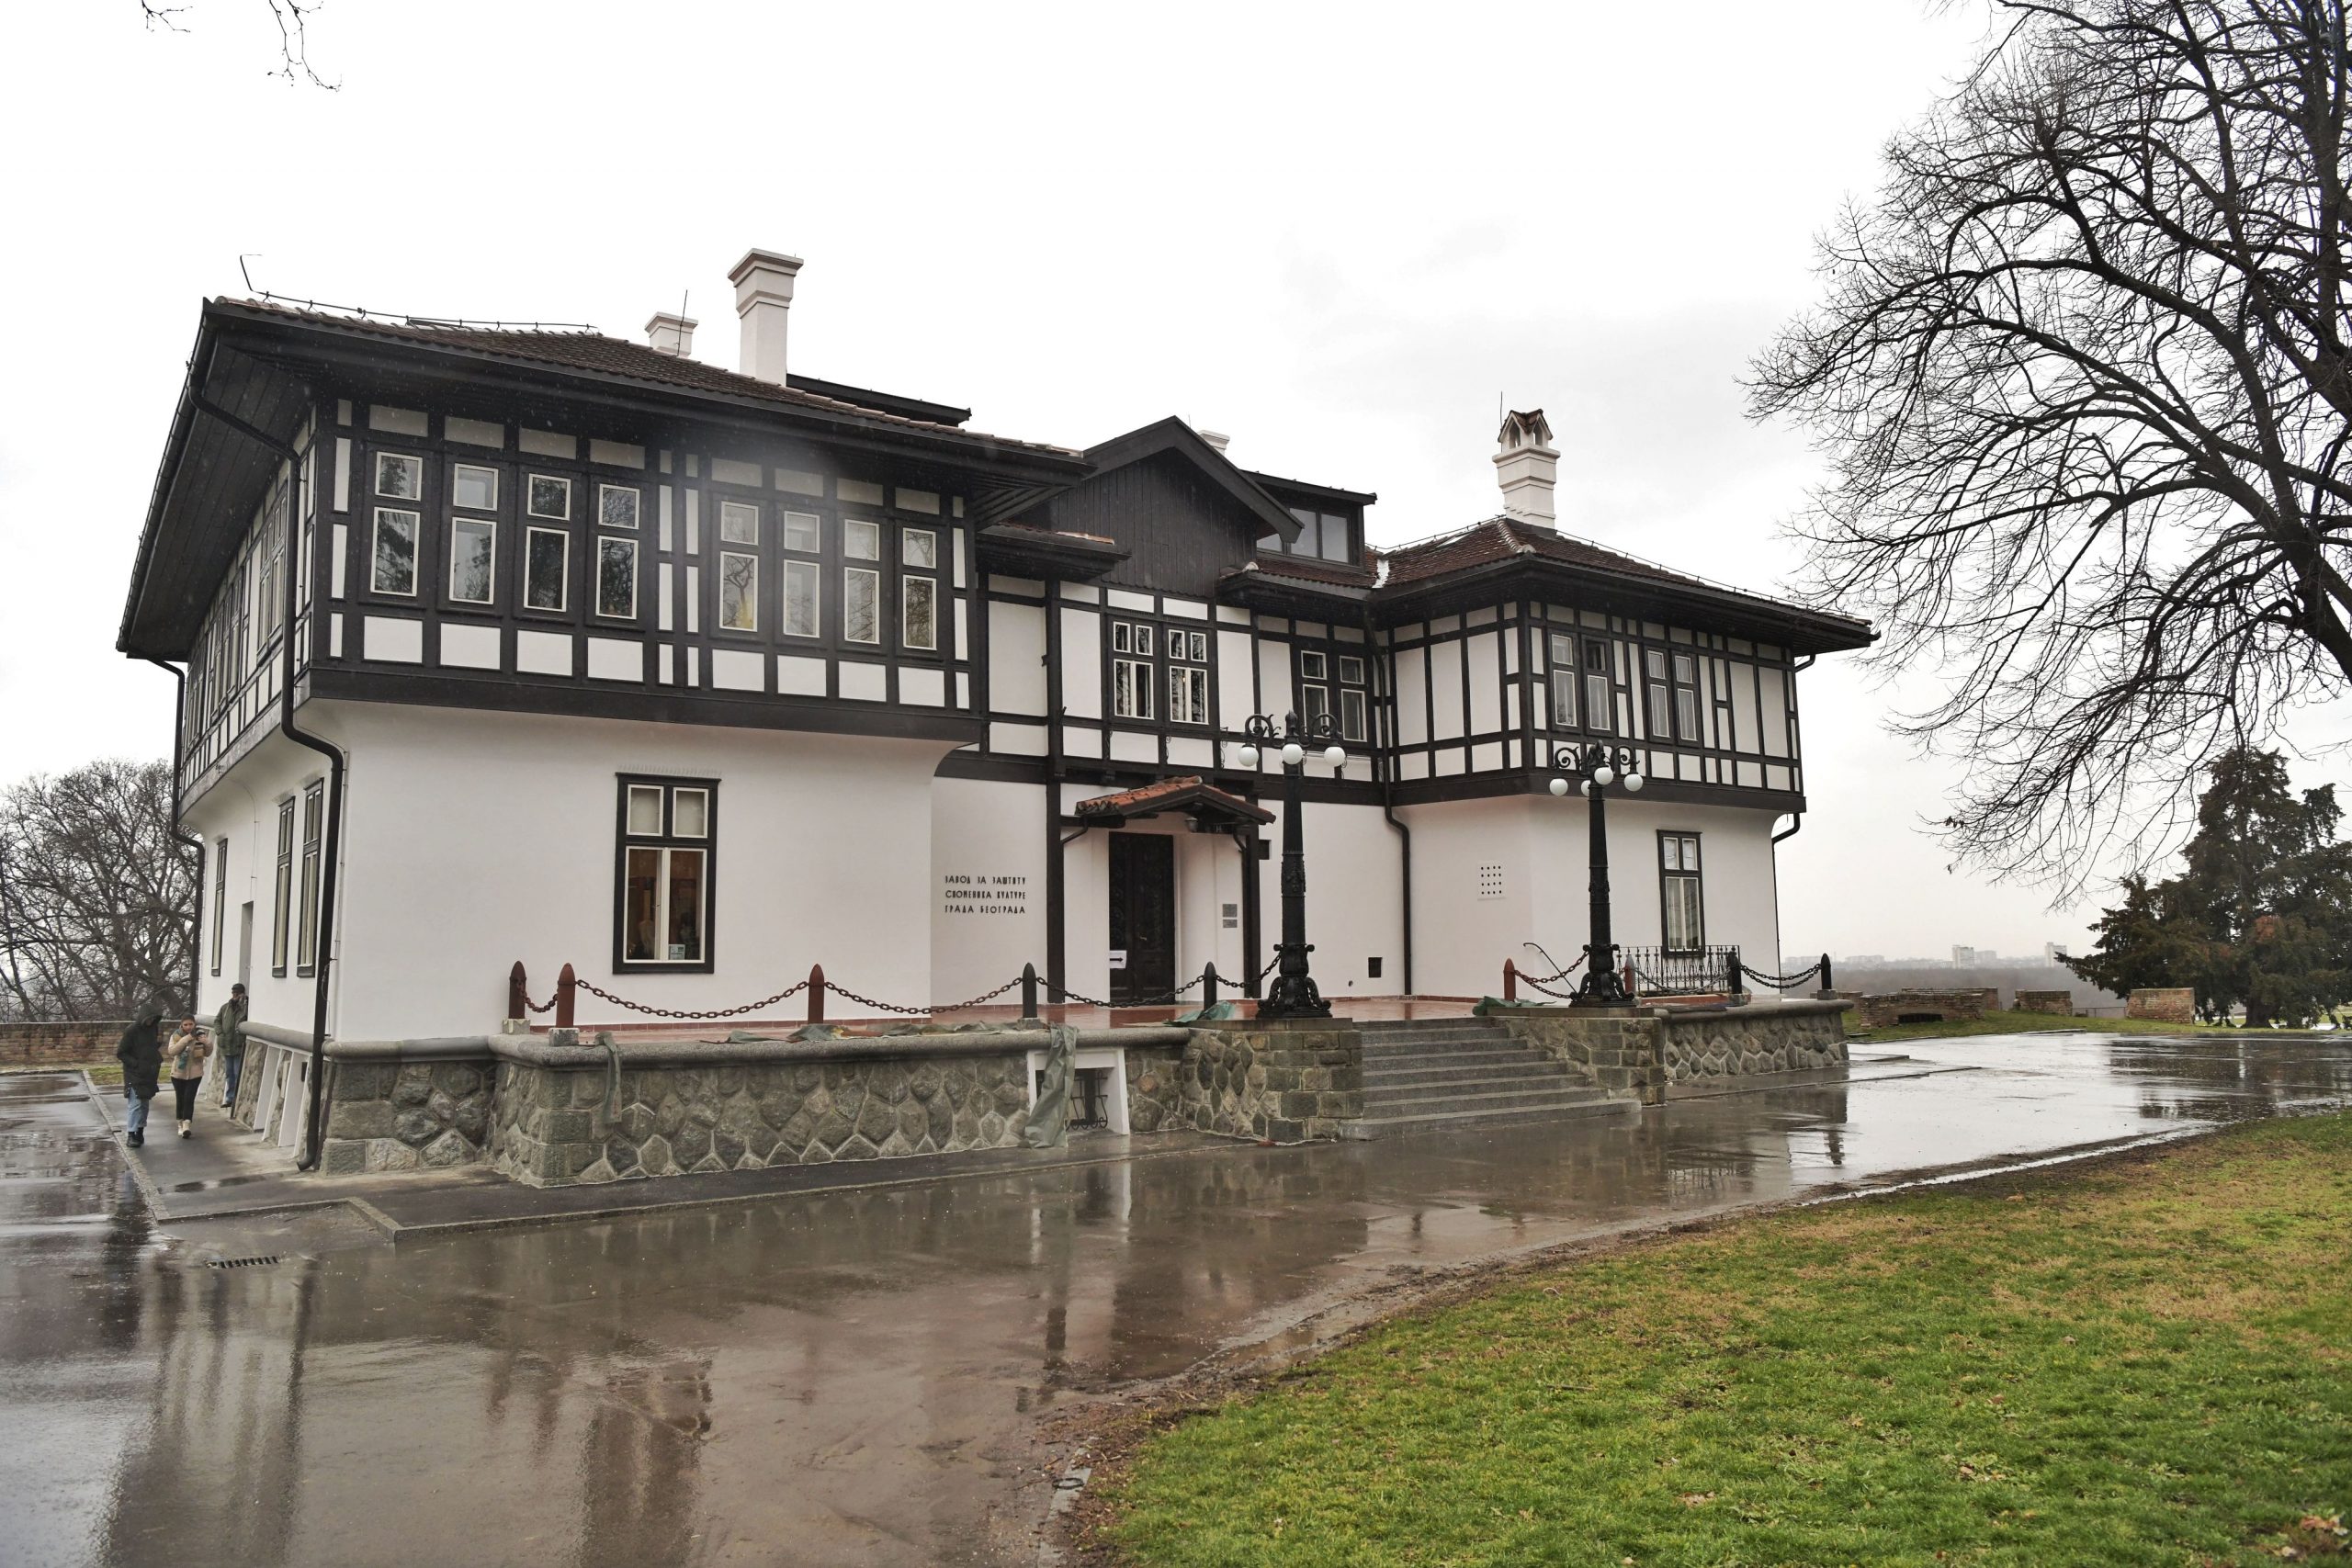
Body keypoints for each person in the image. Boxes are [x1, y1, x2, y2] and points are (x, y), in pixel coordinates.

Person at [116, 1010, 163, 1149]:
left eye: (153, 1019)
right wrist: (136, 1064)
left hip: (149, 1072)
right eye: (149, 1019)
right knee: (135, 1104)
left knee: (144, 1105)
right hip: (134, 1073)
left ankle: (140, 1131)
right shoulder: (131, 1031)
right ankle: (131, 1134)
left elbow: (150, 1047)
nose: (150, 1021)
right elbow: (121, 1053)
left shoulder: (153, 1029)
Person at [166, 1016, 209, 1139]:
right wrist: (187, 1038)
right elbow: (172, 1051)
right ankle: (180, 1124)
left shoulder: (200, 1035)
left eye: (191, 1024)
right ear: (181, 1025)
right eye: (185, 1024)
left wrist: (207, 1042)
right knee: (180, 1099)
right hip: (178, 1074)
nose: (188, 1027)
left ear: (194, 1024)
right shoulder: (176, 1036)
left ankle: (186, 1126)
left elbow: (208, 1052)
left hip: (195, 1073)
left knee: (189, 1099)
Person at [213, 983, 248, 1113]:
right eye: (233, 992)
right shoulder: (225, 1007)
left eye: (237, 993)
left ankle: (236, 1097)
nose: (235, 995)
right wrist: (220, 1033)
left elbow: (244, 1017)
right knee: (229, 1073)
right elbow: (217, 1021)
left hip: (238, 1044)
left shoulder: (244, 1007)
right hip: (227, 1044)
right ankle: (230, 1097)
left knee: (237, 1072)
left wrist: (242, 1003)